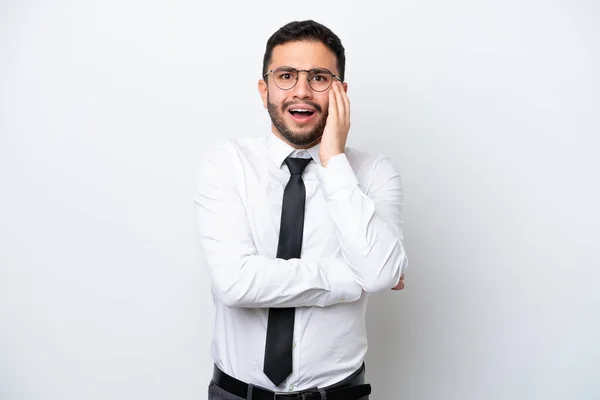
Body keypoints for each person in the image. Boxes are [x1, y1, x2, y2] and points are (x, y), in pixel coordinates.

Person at [194, 20, 407, 400]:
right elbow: (235, 282)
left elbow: (378, 276)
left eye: (320, 78)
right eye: (286, 76)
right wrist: (350, 279)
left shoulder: (374, 173)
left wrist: (333, 161)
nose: (302, 92)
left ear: (341, 91)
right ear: (264, 90)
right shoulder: (226, 163)